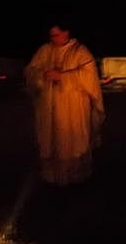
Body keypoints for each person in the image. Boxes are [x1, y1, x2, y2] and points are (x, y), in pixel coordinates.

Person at [24, 22, 105, 187]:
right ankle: (53, 178)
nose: (53, 39)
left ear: (66, 33)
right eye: (51, 35)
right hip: (50, 110)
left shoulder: (80, 51)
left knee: (72, 144)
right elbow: (30, 71)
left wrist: (63, 77)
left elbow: (89, 78)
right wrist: (41, 75)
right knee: (52, 142)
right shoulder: (45, 50)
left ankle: (76, 180)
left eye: (56, 35)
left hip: (73, 109)